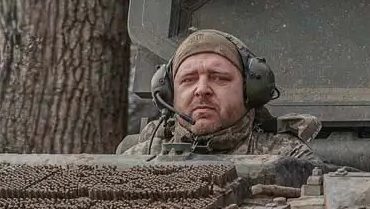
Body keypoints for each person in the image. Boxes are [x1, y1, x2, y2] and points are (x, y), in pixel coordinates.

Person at [119, 29, 322, 162]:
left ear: (249, 90)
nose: (202, 89)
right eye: (188, 79)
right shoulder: (140, 158)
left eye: (219, 78)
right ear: (169, 94)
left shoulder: (290, 159)